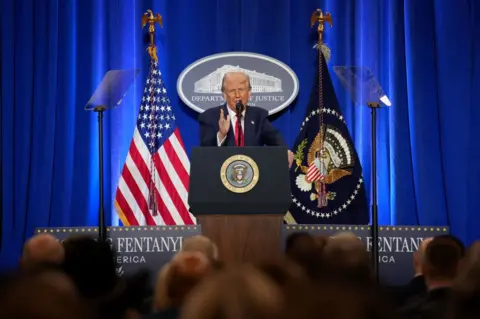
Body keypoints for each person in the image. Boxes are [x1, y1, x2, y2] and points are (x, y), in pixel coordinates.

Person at [198, 71, 294, 167]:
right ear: (224, 95)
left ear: (249, 93)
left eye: (241, 90)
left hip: (253, 175)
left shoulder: (258, 116)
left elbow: (276, 139)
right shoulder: (210, 116)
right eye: (232, 91)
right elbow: (205, 152)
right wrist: (221, 135)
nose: (237, 95)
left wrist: (285, 151)